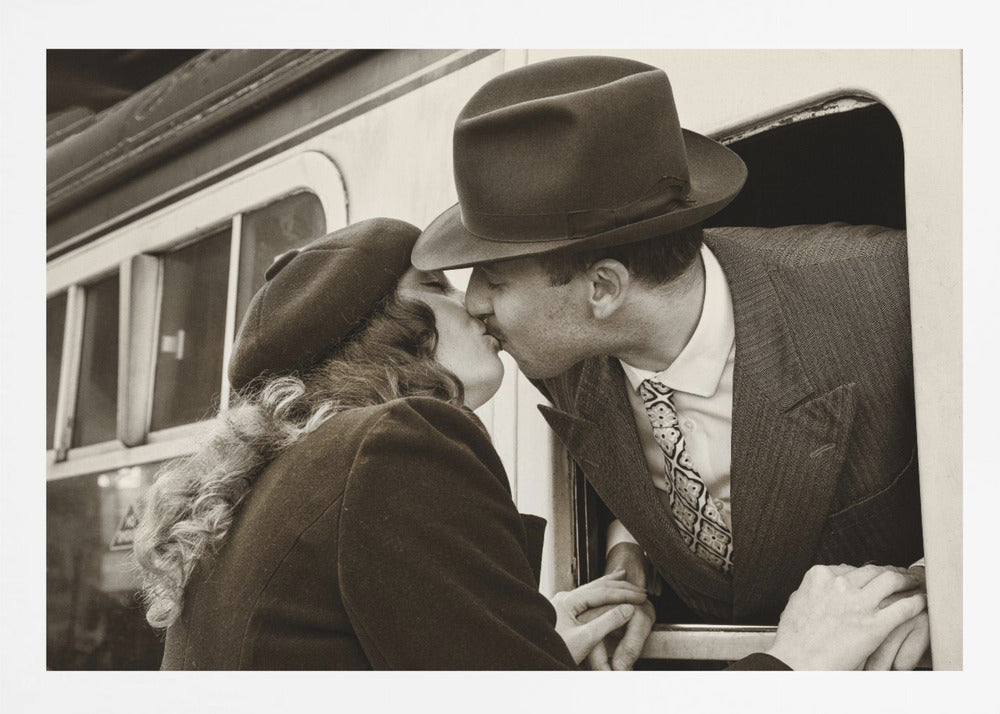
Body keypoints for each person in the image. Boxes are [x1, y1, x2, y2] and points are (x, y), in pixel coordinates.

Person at [132, 218, 923, 671]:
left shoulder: (286, 480)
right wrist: (797, 664)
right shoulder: (397, 442)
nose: (474, 304)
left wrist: (516, 640)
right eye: (437, 287)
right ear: (392, 331)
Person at [412, 55, 928, 670]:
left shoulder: (893, 292)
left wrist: (941, 588)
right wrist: (633, 548)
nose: (473, 302)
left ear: (603, 289)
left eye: (494, 279)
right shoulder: (555, 352)